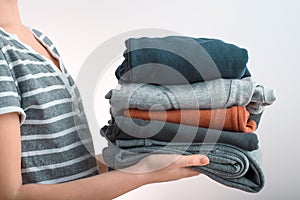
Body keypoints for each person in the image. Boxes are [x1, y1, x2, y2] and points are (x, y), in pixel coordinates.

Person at [0, 0, 209, 199]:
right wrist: (144, 173)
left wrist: (135, 157)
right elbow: (10, 195)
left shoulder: (38, 39)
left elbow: (70, 167)